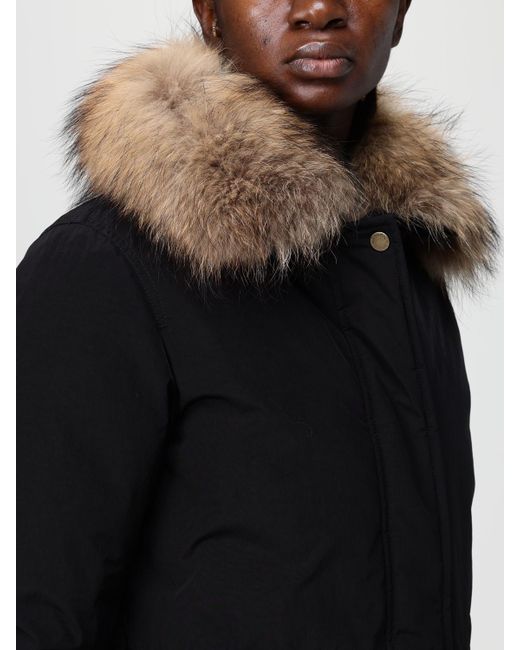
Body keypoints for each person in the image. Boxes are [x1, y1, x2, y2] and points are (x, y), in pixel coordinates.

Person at [16, 0, 499, 648]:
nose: (320, 9)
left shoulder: (402, 266)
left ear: (404, 11)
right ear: (209, 12)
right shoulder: (101, 270)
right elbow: (35, 608)